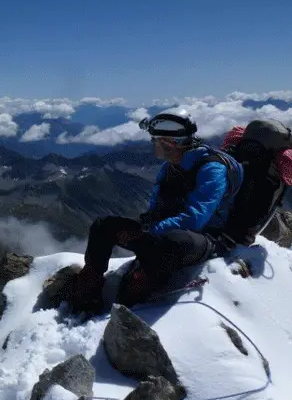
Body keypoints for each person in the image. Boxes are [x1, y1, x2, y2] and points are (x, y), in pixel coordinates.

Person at [69, 112, 243, 312]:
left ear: (170, 143)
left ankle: (129, 300)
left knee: (172, 241)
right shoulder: (169, 168)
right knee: (103, 226)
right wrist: (146, 227)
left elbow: (196, 219)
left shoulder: (212, 169)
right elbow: (156, 207)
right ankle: (88, 288)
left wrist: (151, 231)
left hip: (203, 239)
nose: (153, 144)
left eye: (156, 140)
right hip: (162, 233)